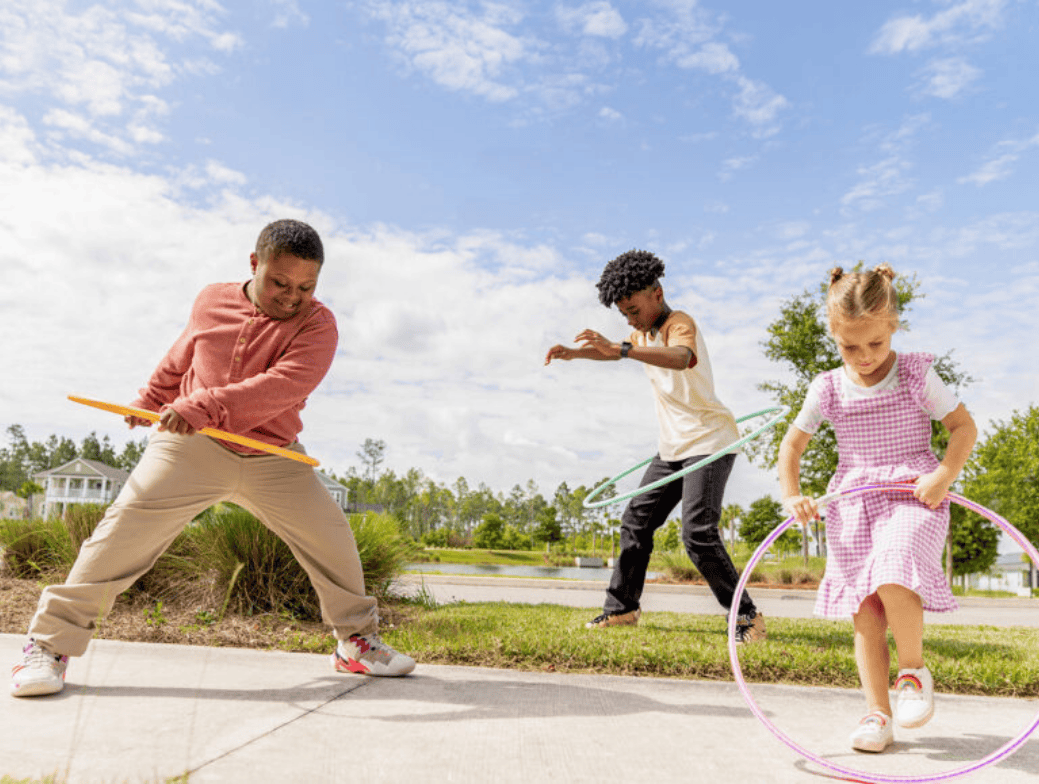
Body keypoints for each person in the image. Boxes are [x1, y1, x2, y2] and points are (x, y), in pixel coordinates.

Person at [11, 219, 415, 698]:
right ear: (254, 264)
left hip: (273, 455)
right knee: (120, 535)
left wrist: (203, 405)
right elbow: (183, 353)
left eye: (306, 287)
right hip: (192, 447)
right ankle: (48, 646)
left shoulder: (318, 325)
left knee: (332, 540)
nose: (291, 296)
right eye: (279, 283)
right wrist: (152, 396)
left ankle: (356, 644)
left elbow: (284, 386)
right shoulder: (211, 299)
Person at [778, 264, 977, 753]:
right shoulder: (826, 387)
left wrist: (944, 475)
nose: (864, 357)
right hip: (853, 504)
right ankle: (876, 713)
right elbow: (792, 447)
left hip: (913, 493)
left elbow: (963, 428)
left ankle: (912, 674)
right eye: (850, 347)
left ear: (893, 327)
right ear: (833, 333)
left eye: (875, 344)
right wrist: (792, 493)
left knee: (894, 567)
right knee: (865, 611)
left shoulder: (914, 373)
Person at [544, 249, 765, 643]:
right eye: (624, 315)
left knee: (698, 533)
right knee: (636, 522)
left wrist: (623, 348)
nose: (630, 320)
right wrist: (576, 353)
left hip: (709, 441)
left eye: (633, 310)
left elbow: (681, 358)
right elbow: (613, 352)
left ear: (657, 294)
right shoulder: (641, 334)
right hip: (672, 448)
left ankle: (747, 617)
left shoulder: (680, 323)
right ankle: (622, 610)